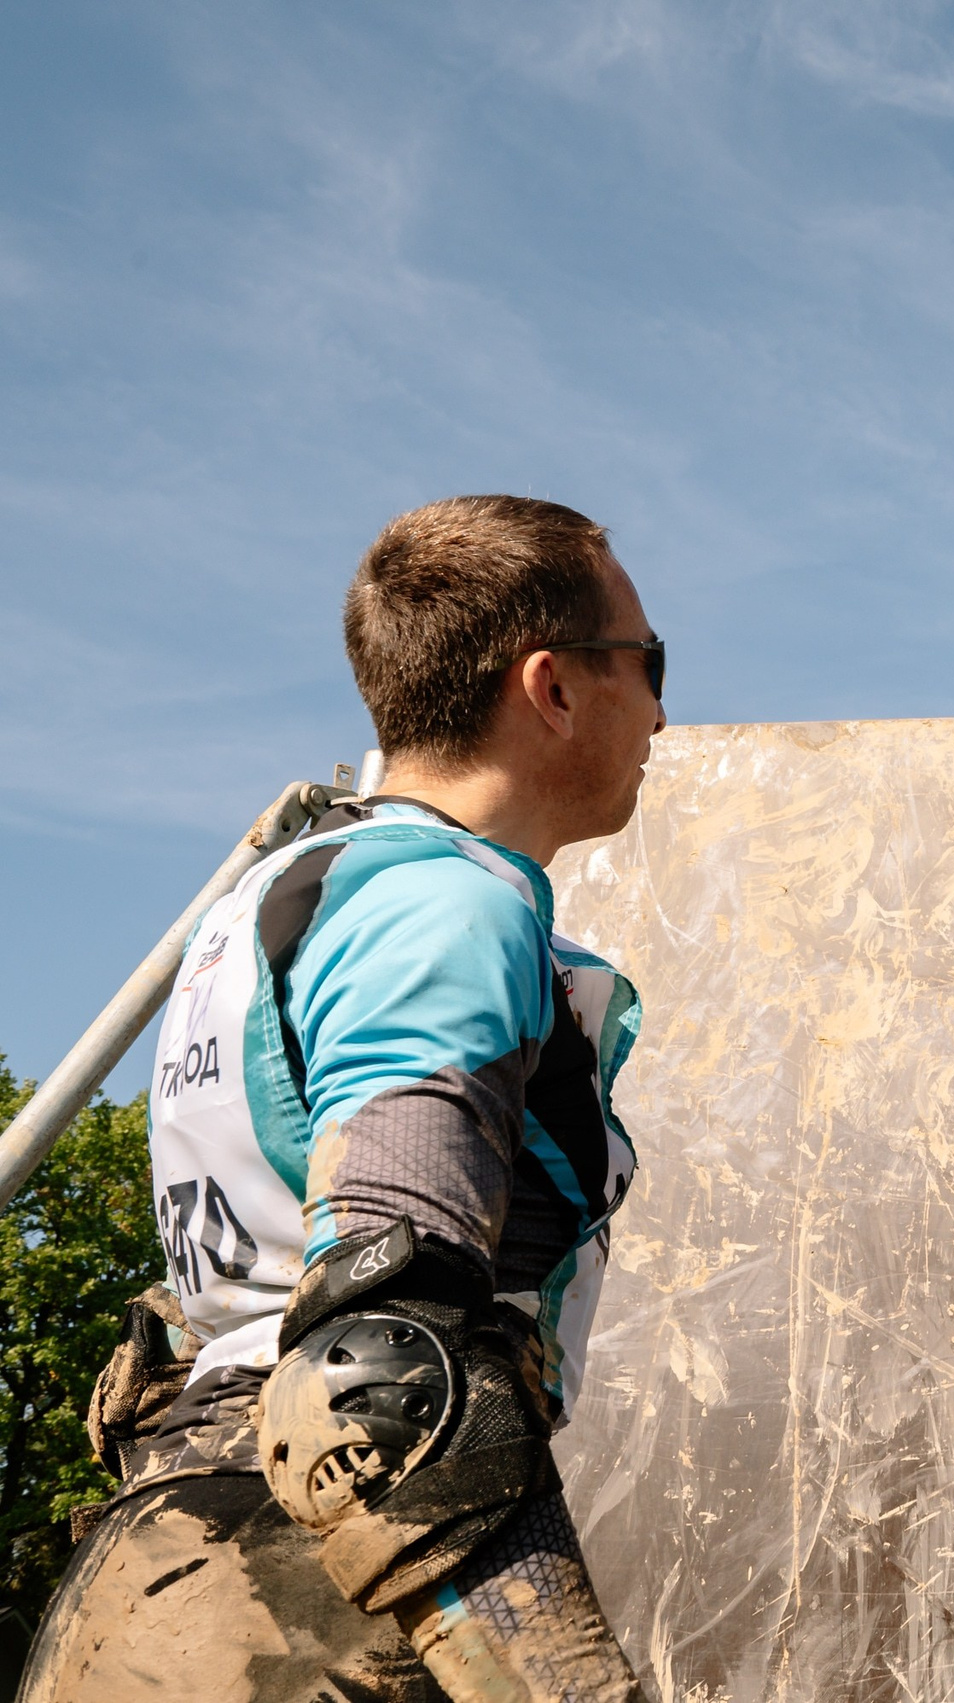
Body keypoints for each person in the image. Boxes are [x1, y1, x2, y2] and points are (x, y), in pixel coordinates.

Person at [21, 496, 666, 1701]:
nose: (663, 707)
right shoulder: (445, 905)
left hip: (170, 1571)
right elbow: (386, 1355)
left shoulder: (284, 895)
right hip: (305, 1601)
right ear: (555, 686)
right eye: (647, 659)